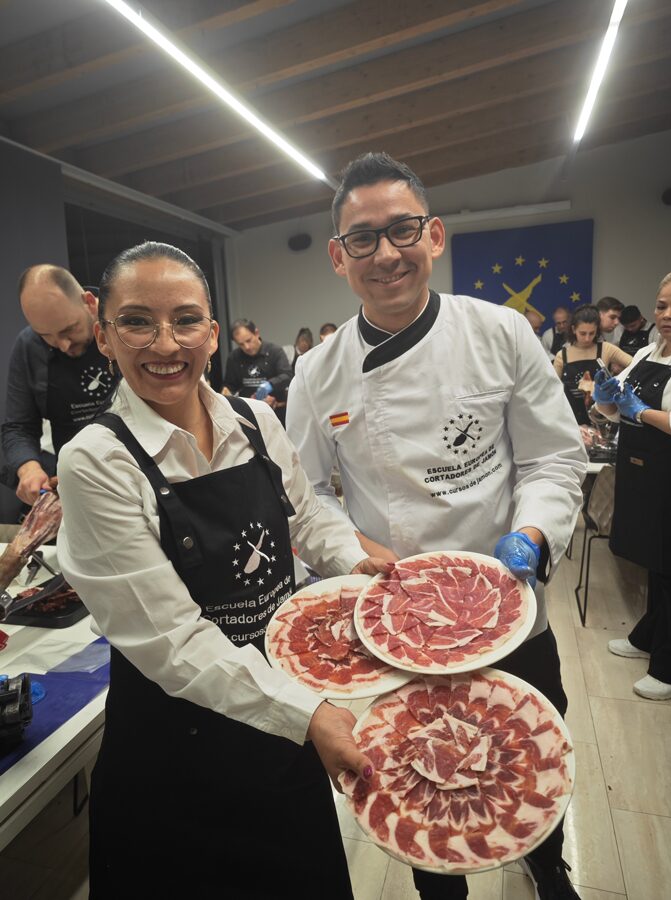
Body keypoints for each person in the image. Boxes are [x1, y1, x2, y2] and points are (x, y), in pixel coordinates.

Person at [286, 152, 587, 900]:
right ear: (337, 256)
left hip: (510, 599)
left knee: (530, 751)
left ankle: (550, 870)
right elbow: (305, 495)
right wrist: (350, 550)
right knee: (419, 773)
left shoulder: (501, 333)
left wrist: (536, 537)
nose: (385, 253)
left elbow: (552, 461)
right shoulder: (316, 373)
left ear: (435, 236)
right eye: (363, 238)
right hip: (400, 616)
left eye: (402, 231)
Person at [56, 241, 389, 899]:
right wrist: (309, 714)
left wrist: (359, 560)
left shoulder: (255, 419)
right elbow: (174, 643)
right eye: (136, 321)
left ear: (212, 332)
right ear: (103, 334)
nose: (164, 343)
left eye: (184, 320)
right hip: (174, 751)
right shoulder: (96, 461)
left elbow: (304, 519)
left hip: (278, 723)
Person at [592, 271, 671, 701]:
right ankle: (647, 637)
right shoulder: (646, 352)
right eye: (662, 305)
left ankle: (668, 666)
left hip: (670, 478)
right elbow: (613, 407)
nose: (667, 314)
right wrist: (606, 397)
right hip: (643, 475)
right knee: (656, 563)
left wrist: (639, 411)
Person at [1, 265, 117, 504]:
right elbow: (18, 427)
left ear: (89, 302)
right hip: (76, 484)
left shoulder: (123, 325)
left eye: (69, 330)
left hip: (144, 475)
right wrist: (28, 468)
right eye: (47, 336)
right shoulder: (28, 347)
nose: (62, 345)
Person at [553, 305, 632, 424]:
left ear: (597, 331)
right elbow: (552, 388)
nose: (587, 338)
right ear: (574, 330)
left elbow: (637, 366)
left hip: (602, 418)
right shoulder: (562, 355)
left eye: (592, 333)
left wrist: (618, 381)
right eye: (583, 333)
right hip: (571, 419)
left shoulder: (607, 349)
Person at [222, 317, 292, 405]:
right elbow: (230, 385)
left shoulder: (275, 351)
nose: (246, 347)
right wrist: (226, 392)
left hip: (275, 408)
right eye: (241, 344)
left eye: (248, 340)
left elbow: (287, 375)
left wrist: (270, 384)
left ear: (256, 333)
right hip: (247, 408)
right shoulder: (234, 357)